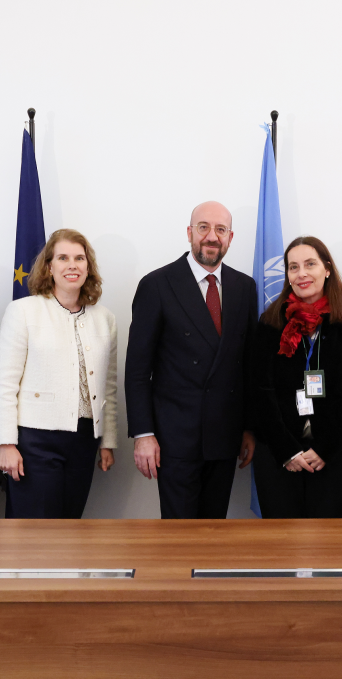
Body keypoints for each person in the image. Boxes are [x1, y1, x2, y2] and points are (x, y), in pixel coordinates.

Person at [125, 202, 256, 519]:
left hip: (225, 437)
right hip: (175, 439)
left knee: (214, 534)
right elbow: (138, 370)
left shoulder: (244, 287)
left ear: (230, 237)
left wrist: (250, 429)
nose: (212, 236)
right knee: (178, 540)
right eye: (203, 227)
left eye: (220, 230)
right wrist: (143, 435)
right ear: (189, 232)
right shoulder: (156, 285)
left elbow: (249, 366)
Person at [0, 229, 117, 519]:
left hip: (85, 441)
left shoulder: (105, 318)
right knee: (34, 535)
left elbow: (108, 386)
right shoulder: (23, 311)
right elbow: (4, 384)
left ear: (88, 267)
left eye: (79, 258)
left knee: (70, 529)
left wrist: (107, 441)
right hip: (35, 442)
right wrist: (6, 444)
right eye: (63, 258)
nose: (72, 265)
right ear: (49, 266)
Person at [251, 236, 342, 518]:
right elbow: (260, 390)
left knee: (328, 549)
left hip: (335, 455)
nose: (301, 273)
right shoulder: (270, 322)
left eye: (310, 264)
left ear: (327, 269)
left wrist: (325, 449)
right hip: (280, 456)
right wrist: (287, 451)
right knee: (284, 548)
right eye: (293, 267)